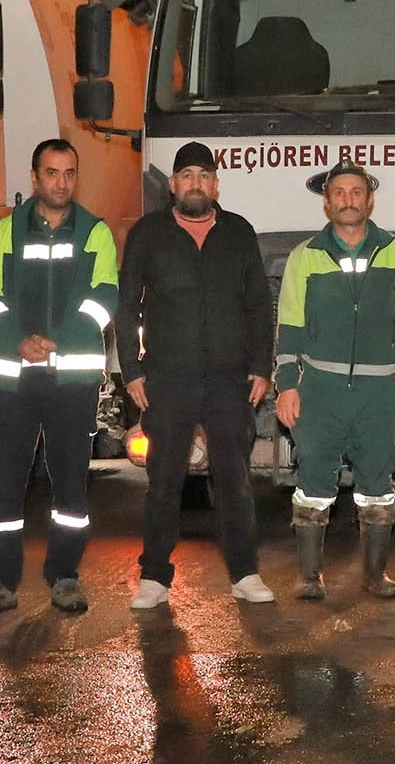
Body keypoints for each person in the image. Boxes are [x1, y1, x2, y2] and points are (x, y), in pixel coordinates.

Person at [115, 140, 277, 611]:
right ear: (172, 185)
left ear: (215, 184)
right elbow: (127, 308)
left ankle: (245, 573)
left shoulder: (239, 233)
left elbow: (257, 307)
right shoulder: (148, 234)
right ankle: (154, 578)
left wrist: (261, 367)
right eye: (186, 175)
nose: (195, 184)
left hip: (231, 381)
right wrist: (133, 371)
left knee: (235, 481)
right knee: (164, 482)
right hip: (168, 379)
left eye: (204, 176)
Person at [0, 140, 120, 617]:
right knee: (6, 484)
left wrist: (54, 339)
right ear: (34, 178)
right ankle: (0, 580)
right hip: (12, 379)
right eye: (51, 173)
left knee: (71, 485)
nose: (61, 182)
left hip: (70, 380)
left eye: (69, 173)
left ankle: (65, 576)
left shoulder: (95, 232)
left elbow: (103, 299)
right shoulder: (5, 231)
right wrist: (18, 340)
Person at [273, 161, 395, 601]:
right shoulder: (305, 256)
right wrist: (287, 383)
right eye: (338, 192)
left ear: (369, 199)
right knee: (314, 484)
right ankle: (308, 576)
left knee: (378, 485)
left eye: (355, 192)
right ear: (326, 202)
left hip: (379, 392)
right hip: (320, 390)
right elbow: (290, 326)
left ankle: (375, 576)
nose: (347, 200)